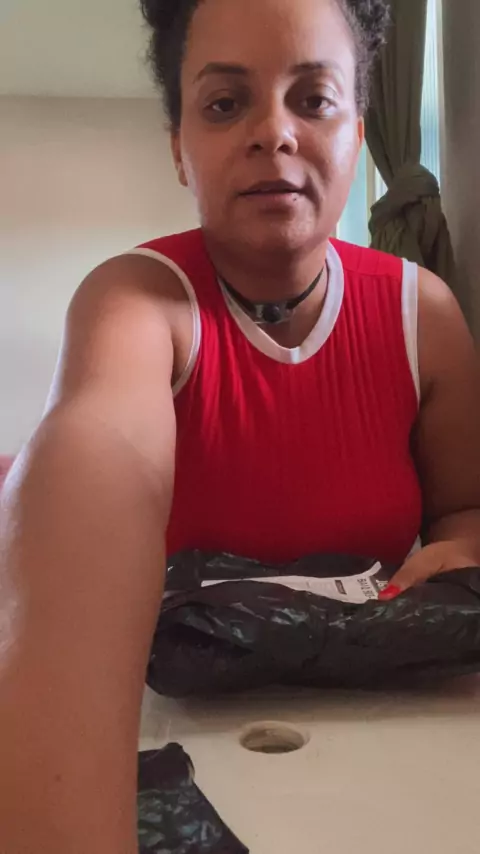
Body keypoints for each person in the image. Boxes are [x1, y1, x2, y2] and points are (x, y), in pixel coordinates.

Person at [1, 0, 479, 850]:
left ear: (357, 129)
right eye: (225, 104)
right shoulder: (133, 302)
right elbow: (90, 462)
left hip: (380, 731)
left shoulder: (426, 314)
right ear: (178, 147)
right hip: (180, 726)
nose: (274, 133)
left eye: (314, 99)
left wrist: (463, 545)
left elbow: (465, 509)